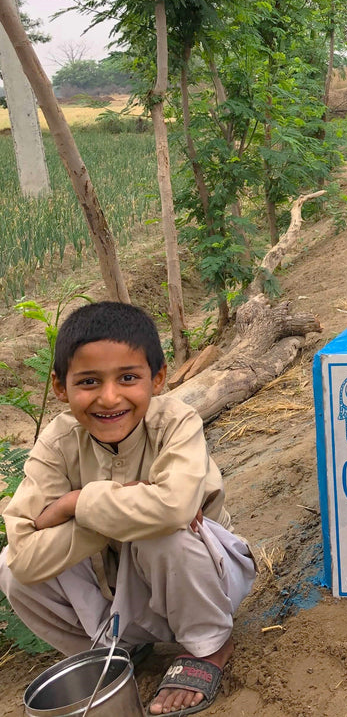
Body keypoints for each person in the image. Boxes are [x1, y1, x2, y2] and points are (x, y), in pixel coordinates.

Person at [0, 302, 255, 716]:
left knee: (163, 533)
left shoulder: (176, 421)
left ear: (157, 378)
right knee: (9, 569)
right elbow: (25, 556)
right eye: (88, 381)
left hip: (205, 577)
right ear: (61, 388)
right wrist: (116, 512)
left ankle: (209, 646)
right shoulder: (57, 442)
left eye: (128, 377)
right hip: (118, 590)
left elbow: (173, 510)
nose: (109, 397)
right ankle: (114, 652)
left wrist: (76, 502)